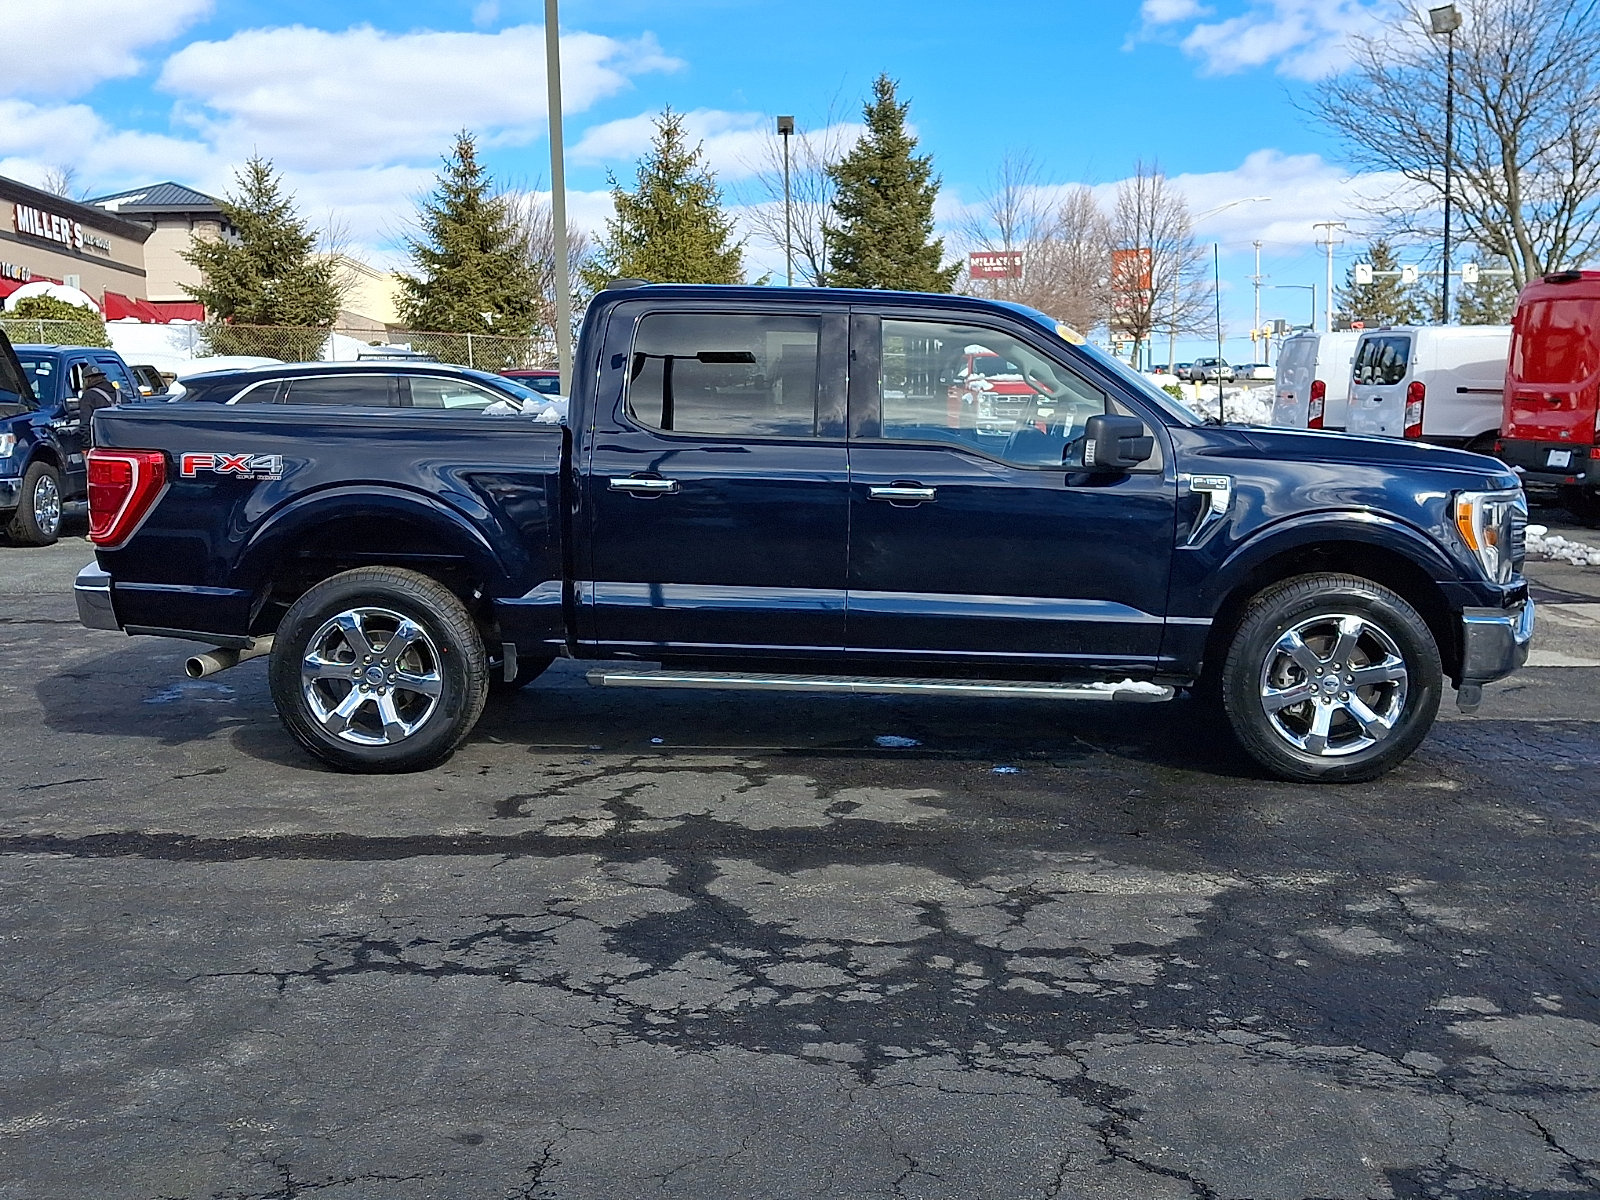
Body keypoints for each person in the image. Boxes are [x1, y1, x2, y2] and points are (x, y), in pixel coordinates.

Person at [77, 367, 118, 448]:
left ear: (86, 380)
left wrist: (85, 446)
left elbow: (85, 424)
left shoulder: (88, 396)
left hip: (101, 444)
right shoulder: (120, 394)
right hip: (122, 444)